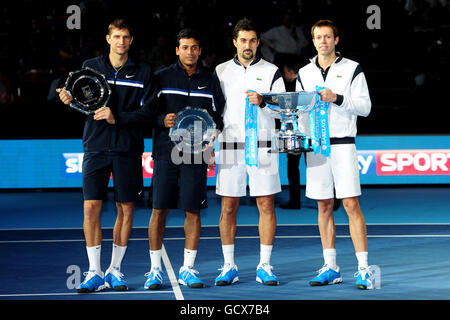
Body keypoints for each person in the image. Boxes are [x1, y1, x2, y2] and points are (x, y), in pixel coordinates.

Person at [57, 19, 157, 293]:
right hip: (95, 147)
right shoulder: (90, 67)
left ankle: (115, 271)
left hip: (127, 148)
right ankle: (94, 272)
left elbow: (149, 113)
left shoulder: (144, 72)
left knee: (126, 209)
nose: (121, 42)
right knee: (91, 208)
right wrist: (69, 101)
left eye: (126, 37)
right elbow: (81, 102)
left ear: (131, 40)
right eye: (117, 37)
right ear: (108, 38)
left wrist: (118, 117)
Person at [143, 28, 225, 290]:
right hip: (167, 152)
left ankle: (188, 269)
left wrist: (213, 133)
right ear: (177, 50)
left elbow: (219, 115)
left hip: (196, 154)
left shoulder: (210, 80)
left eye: (194, 47)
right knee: (159, 210)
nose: (190, 52)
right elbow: (147, 113)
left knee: (193, 209)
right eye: (185, 47)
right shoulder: (161, 77)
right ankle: (155, 270)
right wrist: (160, 120)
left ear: (199, 51)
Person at [296, 20, 373, 289]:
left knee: (351, 204)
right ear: (313, 40)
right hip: (316, 148)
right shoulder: (304, 72)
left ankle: (364, 269)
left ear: (336, 40)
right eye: (318, 37)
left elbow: (365, 107)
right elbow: (299, 110)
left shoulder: (352, 68)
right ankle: (331, 266)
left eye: (328, 36)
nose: (323, 41)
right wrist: (299, 135)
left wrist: (337, 97)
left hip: (343, 145)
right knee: (323, 205)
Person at [214, 18, 285, 286]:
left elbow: (283, 109)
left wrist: (265, 101)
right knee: (228, 207)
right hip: (229, 146)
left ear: (258, 43)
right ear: (234, 42)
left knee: (266, 204)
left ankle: (264, 265)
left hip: (264, 146)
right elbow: (214, 110)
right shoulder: (220, 71)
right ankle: (228, 266)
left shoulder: (272, 71)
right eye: (242, 40)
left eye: (252, 40)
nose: (248, 45)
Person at [279, 58, 302, 210]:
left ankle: (295, 201)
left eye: (285, 71)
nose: (284, 74)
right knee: (317, 165)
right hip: (306, 130)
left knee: (293, 166)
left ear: (291, 72)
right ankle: (333, 199)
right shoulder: (308, 83)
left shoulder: (286, 87)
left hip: (294, 132)